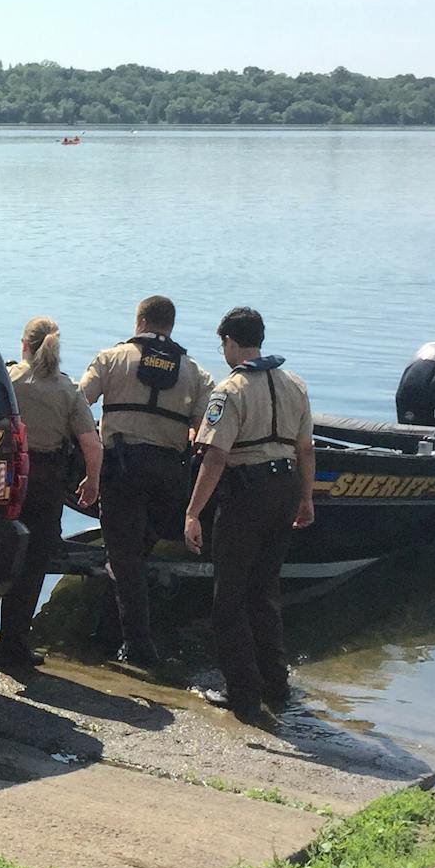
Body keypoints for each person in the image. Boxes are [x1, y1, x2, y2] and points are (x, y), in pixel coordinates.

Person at [182, 307, 315, 725]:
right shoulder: (295, 383)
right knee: (265, 591)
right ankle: (277, 684)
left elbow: (216, 456)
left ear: (230, 342)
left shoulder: (230, 390)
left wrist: (193, 512)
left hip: (247, 492)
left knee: (229, 598)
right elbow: (306, 448)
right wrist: (306, 498)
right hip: (286, 486)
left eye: (222, 343)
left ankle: (242, 693)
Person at [0, 316, 101, 676]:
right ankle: (12, 648)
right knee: (32, 564)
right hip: (45, 482)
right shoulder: (67, 390)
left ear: (24, 345)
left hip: (1, 478)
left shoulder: (8, 380)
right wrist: (92, 482)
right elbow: (91, 444)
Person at [78, 295, 212, 666]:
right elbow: (203, 432)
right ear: (170, 325)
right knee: (131, 553)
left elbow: (78, 404)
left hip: (122, 468)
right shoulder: (196, 372)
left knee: (124, 558)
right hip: (169, 475)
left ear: (139, 322)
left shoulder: (111, 358)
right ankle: (106, 635)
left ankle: (140, 647)